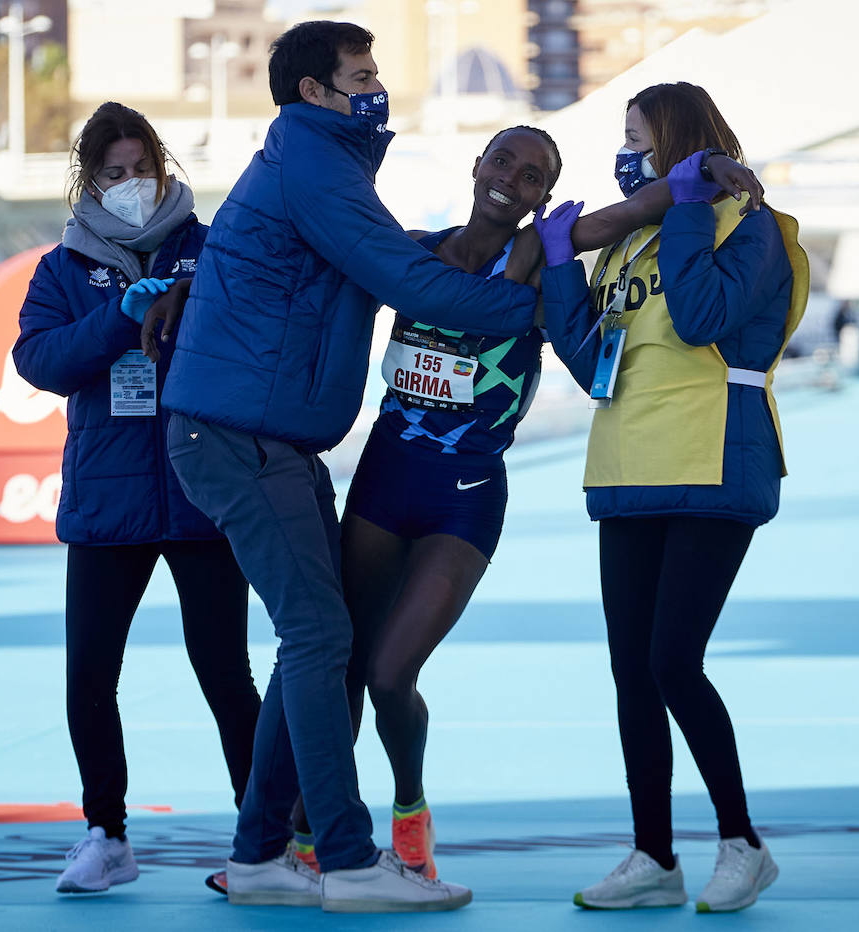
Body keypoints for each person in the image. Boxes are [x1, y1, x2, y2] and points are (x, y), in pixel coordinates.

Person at [156, 21, 584, 913]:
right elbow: (405, 276)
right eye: (363, 75)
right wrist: (517, 304)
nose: (377, 88)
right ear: (316, 91)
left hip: (287, 443)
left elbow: (310, 266)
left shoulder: (327, 168)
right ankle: (348, 860)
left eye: (374, 74)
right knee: (322, 640)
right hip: (244, 438)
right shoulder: (321, 168)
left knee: (317, 644)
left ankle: (261, 853)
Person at [544, 82, 809, 914]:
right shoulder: (625, 246)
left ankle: (742, 843)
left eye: (641, 139)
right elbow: (586, 357)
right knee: (632, 671)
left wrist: (691, 207)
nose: (629, 156)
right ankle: (653, 856)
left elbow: (699, 318)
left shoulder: (750, 225)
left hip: (712, 461)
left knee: (672, 660)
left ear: (685, 147)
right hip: (627, 466)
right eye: (622, 138)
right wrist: (561, 267)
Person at [12, 101, 261, 895]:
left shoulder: (211, 250)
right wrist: (120, 322)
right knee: (89, 674)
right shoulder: (61, 268)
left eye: (141, 169)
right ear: (89, 181)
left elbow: (250, 342)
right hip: (106, 501)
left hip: (202, 489)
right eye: (112, 174)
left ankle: (265, 840)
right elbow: (39, 361)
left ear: (165, 169)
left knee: (226, 671)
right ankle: (106, 835)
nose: (130, 185)